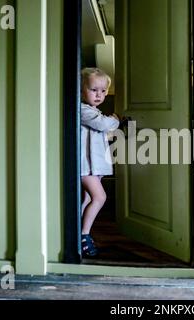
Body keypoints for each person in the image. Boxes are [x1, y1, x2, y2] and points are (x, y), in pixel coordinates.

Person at [80, 67, 119, 257]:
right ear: (81, 90)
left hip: (94, 166)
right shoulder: (83, 110)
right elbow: (104, 125)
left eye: (103, 91)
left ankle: (78, 232)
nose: (99, 94)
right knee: (100, 197)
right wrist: (115, 120)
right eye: (94, 89)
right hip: (86, 166)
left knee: (87, 198)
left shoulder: (93, 111)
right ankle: (84, 234)